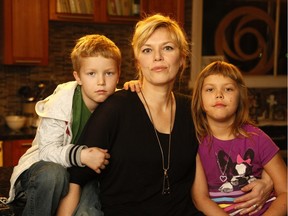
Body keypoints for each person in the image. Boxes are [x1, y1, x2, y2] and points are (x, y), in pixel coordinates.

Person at [57, 14, 204, 216]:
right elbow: (75, 181)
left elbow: (231, 148)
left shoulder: (193, 109)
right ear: (137, 62)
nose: (157, 57)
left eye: (167, 48)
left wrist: (265, 180)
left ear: (182, 58)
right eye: (147, 50)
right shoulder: (116, 108)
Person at [6, 34, 122, 216]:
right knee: (55, 174)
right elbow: (47, 151)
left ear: (118, 75)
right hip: (41, 176)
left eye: (109, 73)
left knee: (90, 206)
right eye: (91, 73)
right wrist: (81, 155)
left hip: (81, 178)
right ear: (78, 77)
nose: (101, 81)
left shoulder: (118, 102)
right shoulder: (63, 101)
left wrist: (136, 86)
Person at [191, 61, 287, 215]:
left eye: (228, 89)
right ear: (200, 101)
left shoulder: (258, 138)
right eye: (210, 89)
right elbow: (200, 199)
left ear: (240, 97)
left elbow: (286, 192)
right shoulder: (194, 140)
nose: (219, 94)